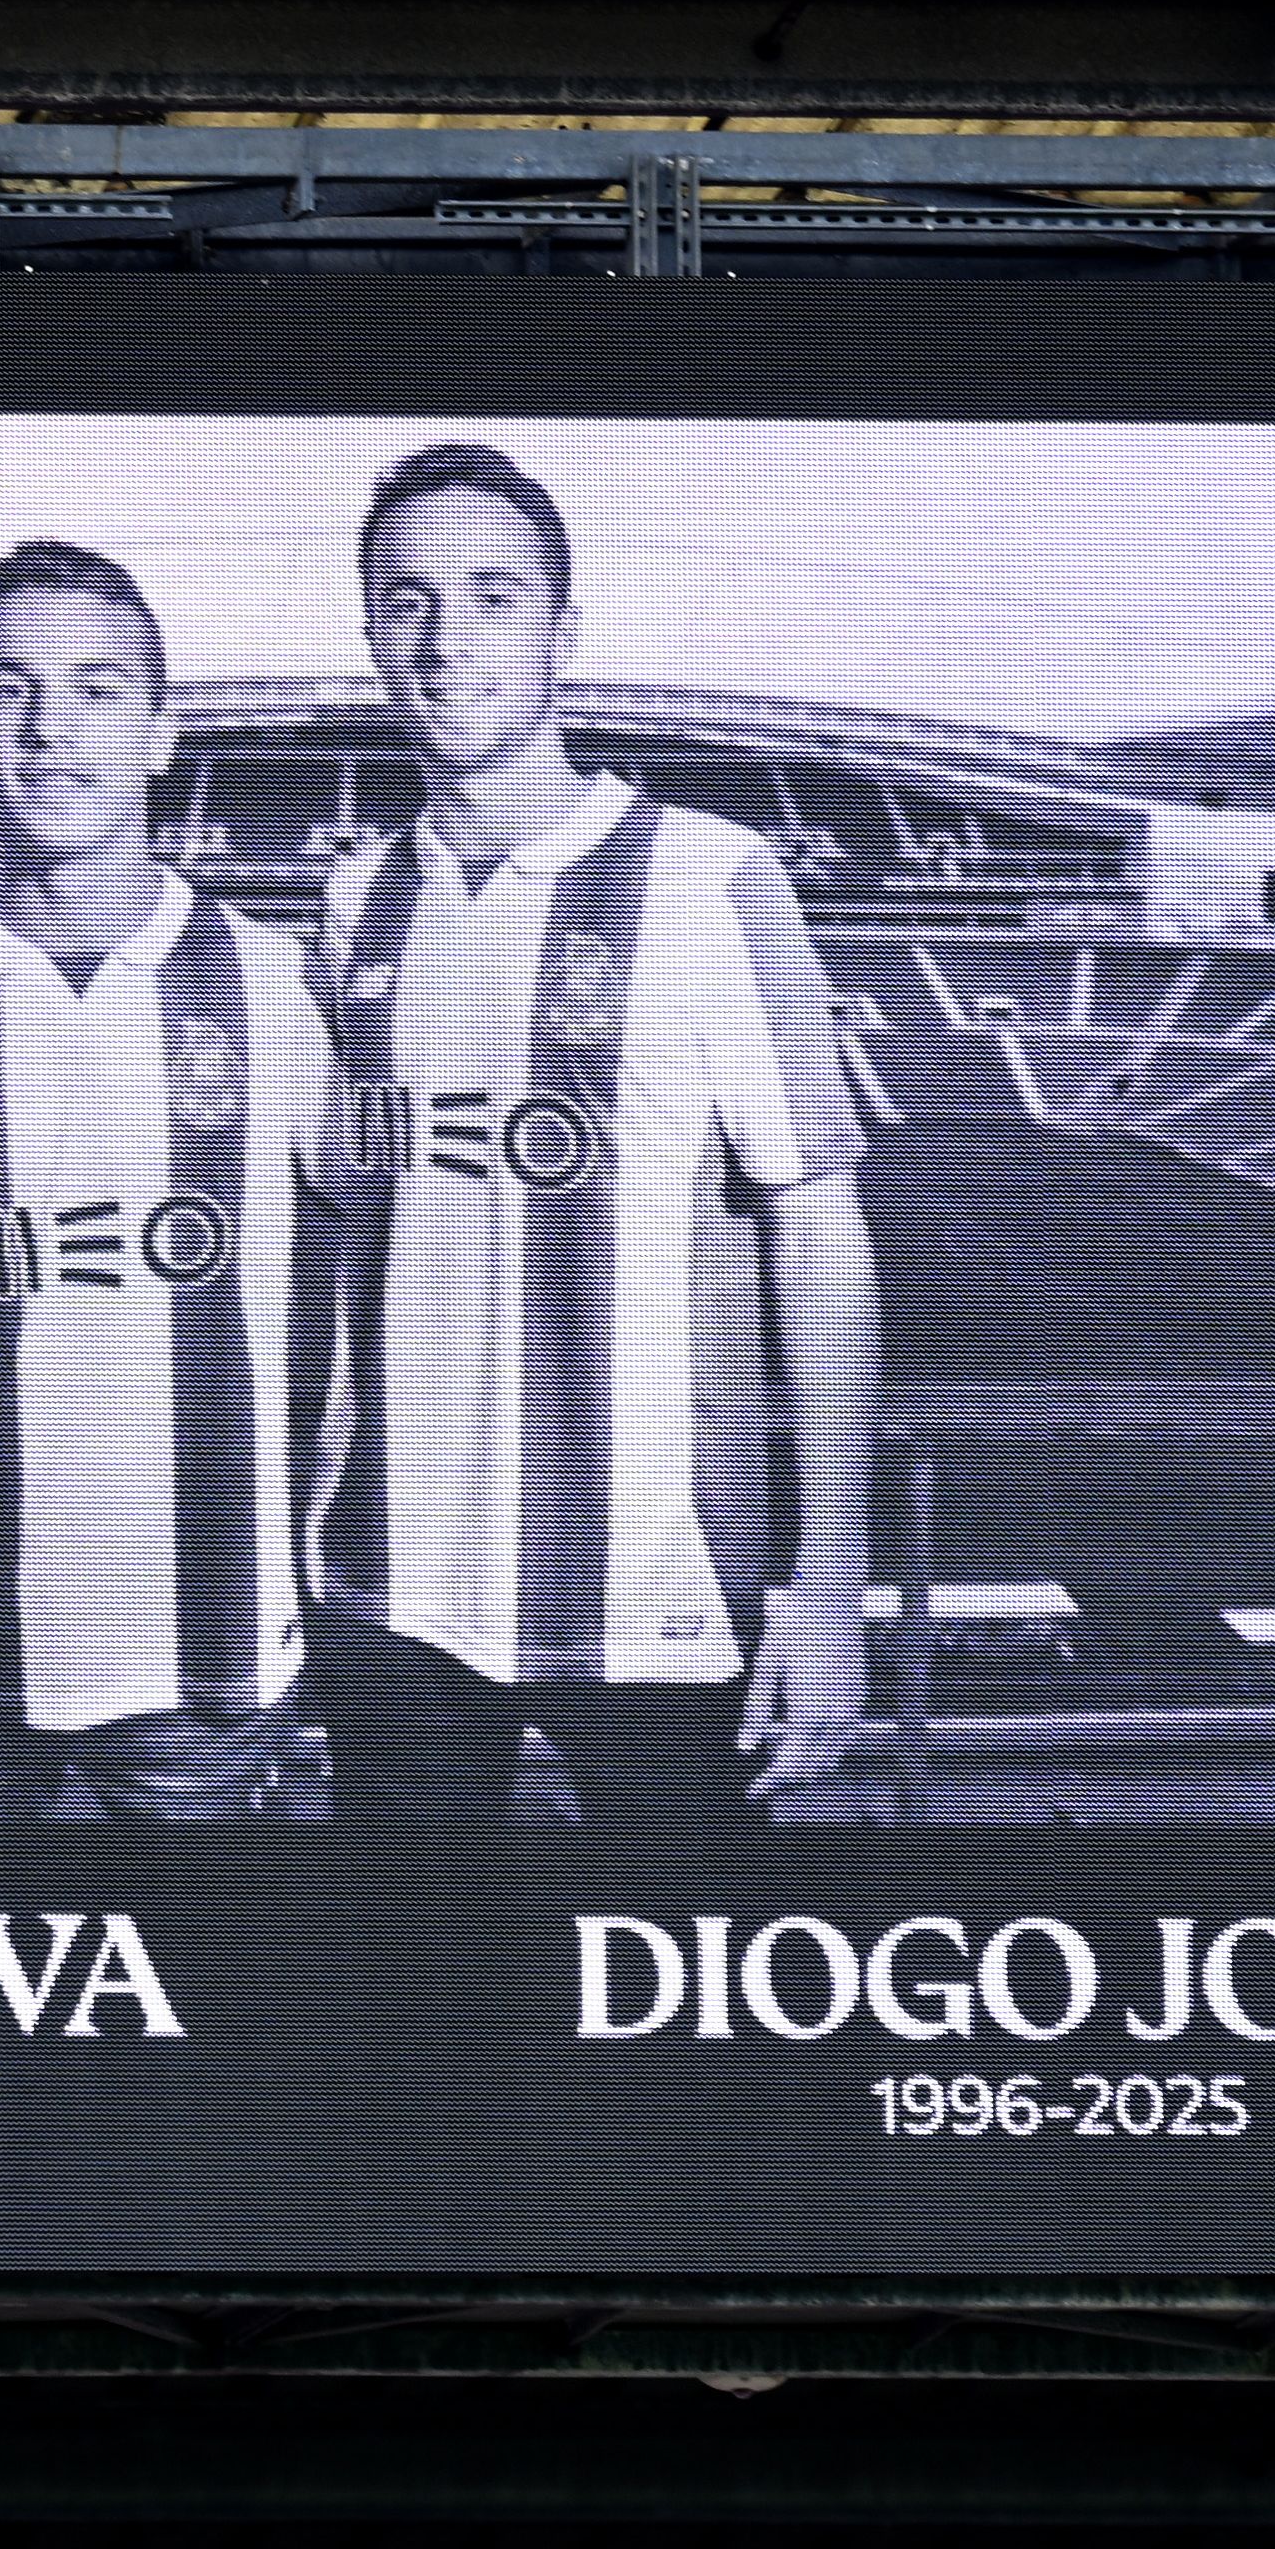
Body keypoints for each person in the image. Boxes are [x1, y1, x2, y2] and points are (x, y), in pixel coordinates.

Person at [303, 444, 883, 1829]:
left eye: (492, 596)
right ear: (373, 632)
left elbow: (820, 1237)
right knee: (413, 2022)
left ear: (563, 631)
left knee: (682, 2021)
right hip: (387, 1588)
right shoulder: (351, 899)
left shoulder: (710, 877)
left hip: (661, 1602)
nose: (445, 639)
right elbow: (350, 1236)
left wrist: (829, 1584)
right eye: (406, 599)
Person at [0, 541, 337, 1821]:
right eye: (10, 689)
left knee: (214, 2013)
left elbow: (346, 1282)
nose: (51, 730)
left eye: (97, 690)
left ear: (162, 734)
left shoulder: (283, 989)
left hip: (204, 1660)